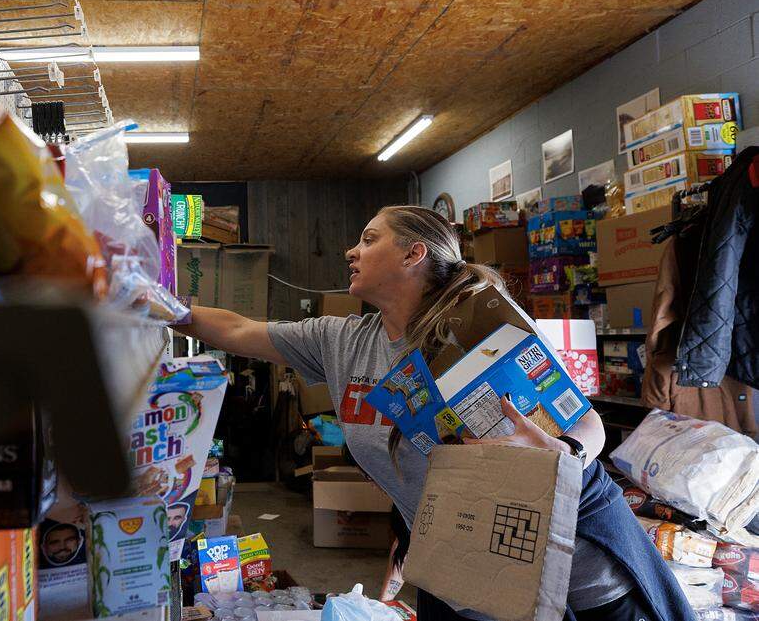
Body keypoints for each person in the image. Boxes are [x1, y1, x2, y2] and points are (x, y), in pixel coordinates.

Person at [176, 206, 693, 621]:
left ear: (413, 254)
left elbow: (586, 423)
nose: (351, 250)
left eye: (369, 239)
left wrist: (567, 452)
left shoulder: (478, 327)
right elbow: (238, 330)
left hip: (576, 550)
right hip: (464, 564)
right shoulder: (341, 343)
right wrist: (161, 306)